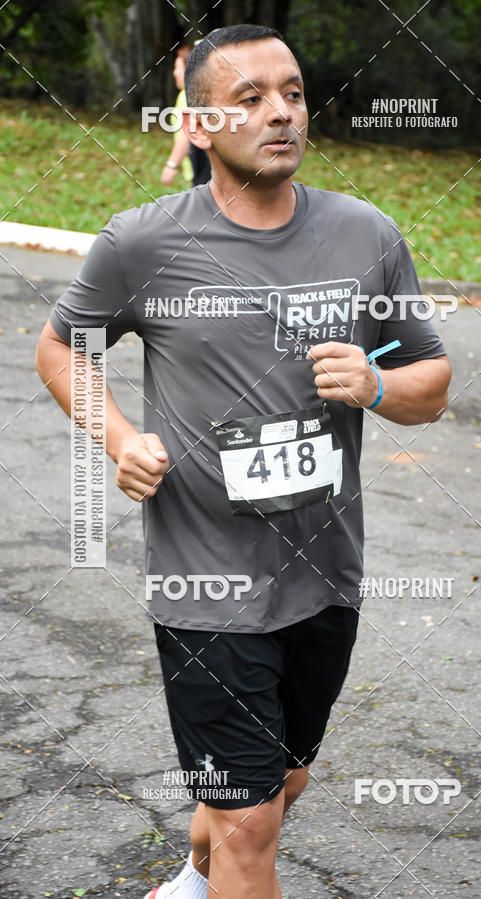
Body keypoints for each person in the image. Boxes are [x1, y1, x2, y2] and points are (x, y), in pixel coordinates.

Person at [35, 23, 451, 899]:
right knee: (251, 819)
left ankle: (191, 882)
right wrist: (120, 438)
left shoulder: (365, 233)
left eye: (293, 93)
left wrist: (375, 388)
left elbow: (433, 381)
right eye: (251, 98)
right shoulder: (142, 242)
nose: (281, 113)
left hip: (325, 574)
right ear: (198, 122)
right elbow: (59, 349)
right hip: (204, 584)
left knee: (283, 783)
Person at [161, 45, 210, 188]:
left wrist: (171, 165)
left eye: (177, 68)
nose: (175, 73)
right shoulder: (194, 93)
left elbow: (187, 131)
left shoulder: (188, 96)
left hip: (203, 169)